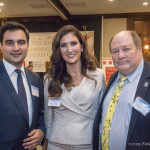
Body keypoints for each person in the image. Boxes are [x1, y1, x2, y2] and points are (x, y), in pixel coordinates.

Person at [44, 25, 106, 150]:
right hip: (57, 143)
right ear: (59, 50)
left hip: (87, 142)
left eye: (73, 43)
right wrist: (47, 140)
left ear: (82, 46)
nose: (69, 49)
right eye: (63, 45)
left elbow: (101, 114)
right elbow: (48, 116)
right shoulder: (50, 79)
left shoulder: (99, 76)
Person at [93, 30, 150, 150]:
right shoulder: (114, 78)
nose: (120, 55)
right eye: (115, 51)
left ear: (139, 49)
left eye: (126, 49)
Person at [0, 21, 45, 150]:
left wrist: (41, 131)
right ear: (1, 46)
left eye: (21, 42)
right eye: (9, 43)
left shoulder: (35, 79)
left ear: (28, 45)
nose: (16, 48)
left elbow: (41, 113)